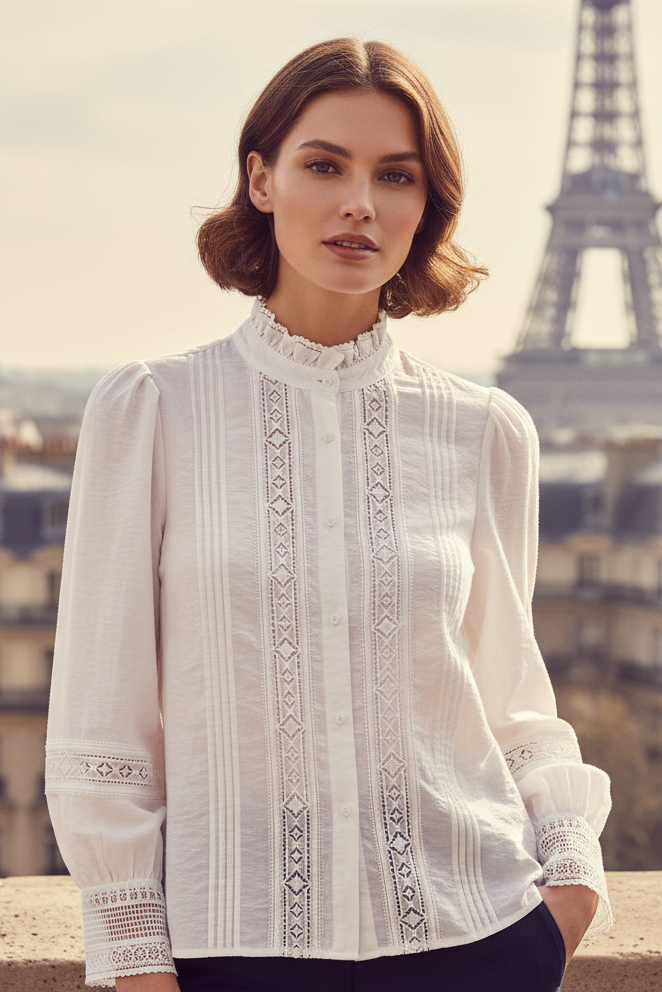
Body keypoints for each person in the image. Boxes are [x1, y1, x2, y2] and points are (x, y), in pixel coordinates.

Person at [45, 37, 612, 992]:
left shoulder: (488, 431)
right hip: (230, 949)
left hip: (480, 938)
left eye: (397, 175)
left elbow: (512, 695)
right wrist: (138, 958)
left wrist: (571, 888)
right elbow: (101, 725)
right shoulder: (151, 410)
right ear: (260, 179)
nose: (361, 202)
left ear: (427, 206)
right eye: (324, 165)